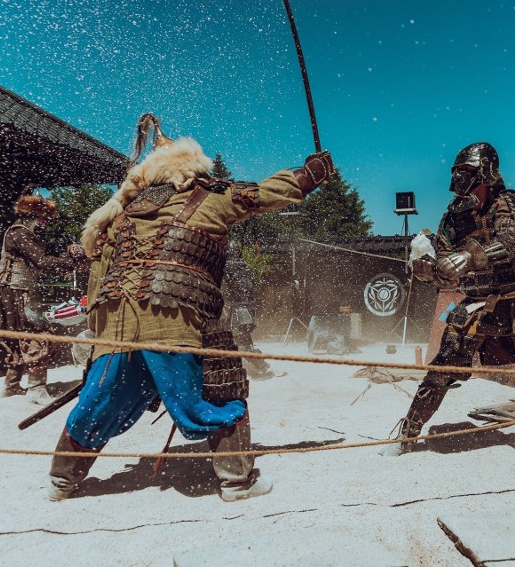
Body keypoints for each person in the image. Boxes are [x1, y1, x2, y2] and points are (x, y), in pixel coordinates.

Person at [47, 114, 334, 502]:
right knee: (215, 389)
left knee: (101, 398)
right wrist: (310, 173)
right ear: (191, 169)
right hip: (173, 314)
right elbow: (265, 193)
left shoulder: (123, 214)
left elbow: (100, 275)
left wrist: (99, 341)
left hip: (115, 319)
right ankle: (236, 482)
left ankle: (63, 479)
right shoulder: (211, 196)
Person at [380, 142, 515, 462]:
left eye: (465, 172)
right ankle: (408, 435)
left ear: (484, 172)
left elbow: (510, 243)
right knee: (441, 370)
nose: (458, 178)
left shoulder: (508, 203)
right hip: (473, 304)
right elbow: (445, 269)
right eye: (456, 172)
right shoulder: (453, 218)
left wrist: (468, 256)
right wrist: (428, 272)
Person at [0, 188, 85, 404]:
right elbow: (42, 261)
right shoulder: (19, 233)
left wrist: (66, 260)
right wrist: (72, 260)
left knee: (18, 335)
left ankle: (12, 385)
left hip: (13, 291)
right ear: (32, 215)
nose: (45, 222)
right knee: (35, 332)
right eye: (43, 217)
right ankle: (35, 388)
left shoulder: (22, 234)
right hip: (15, 292)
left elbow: (43, 261)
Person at [222, 249, 276, 379]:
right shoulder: (246, 267)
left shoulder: (226, 268)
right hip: (247, 308)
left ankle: (259, 364)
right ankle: (256, 364)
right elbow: (251, 290)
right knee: (244, 338)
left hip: (234, 309)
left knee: (237, 338)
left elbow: (226, 291)